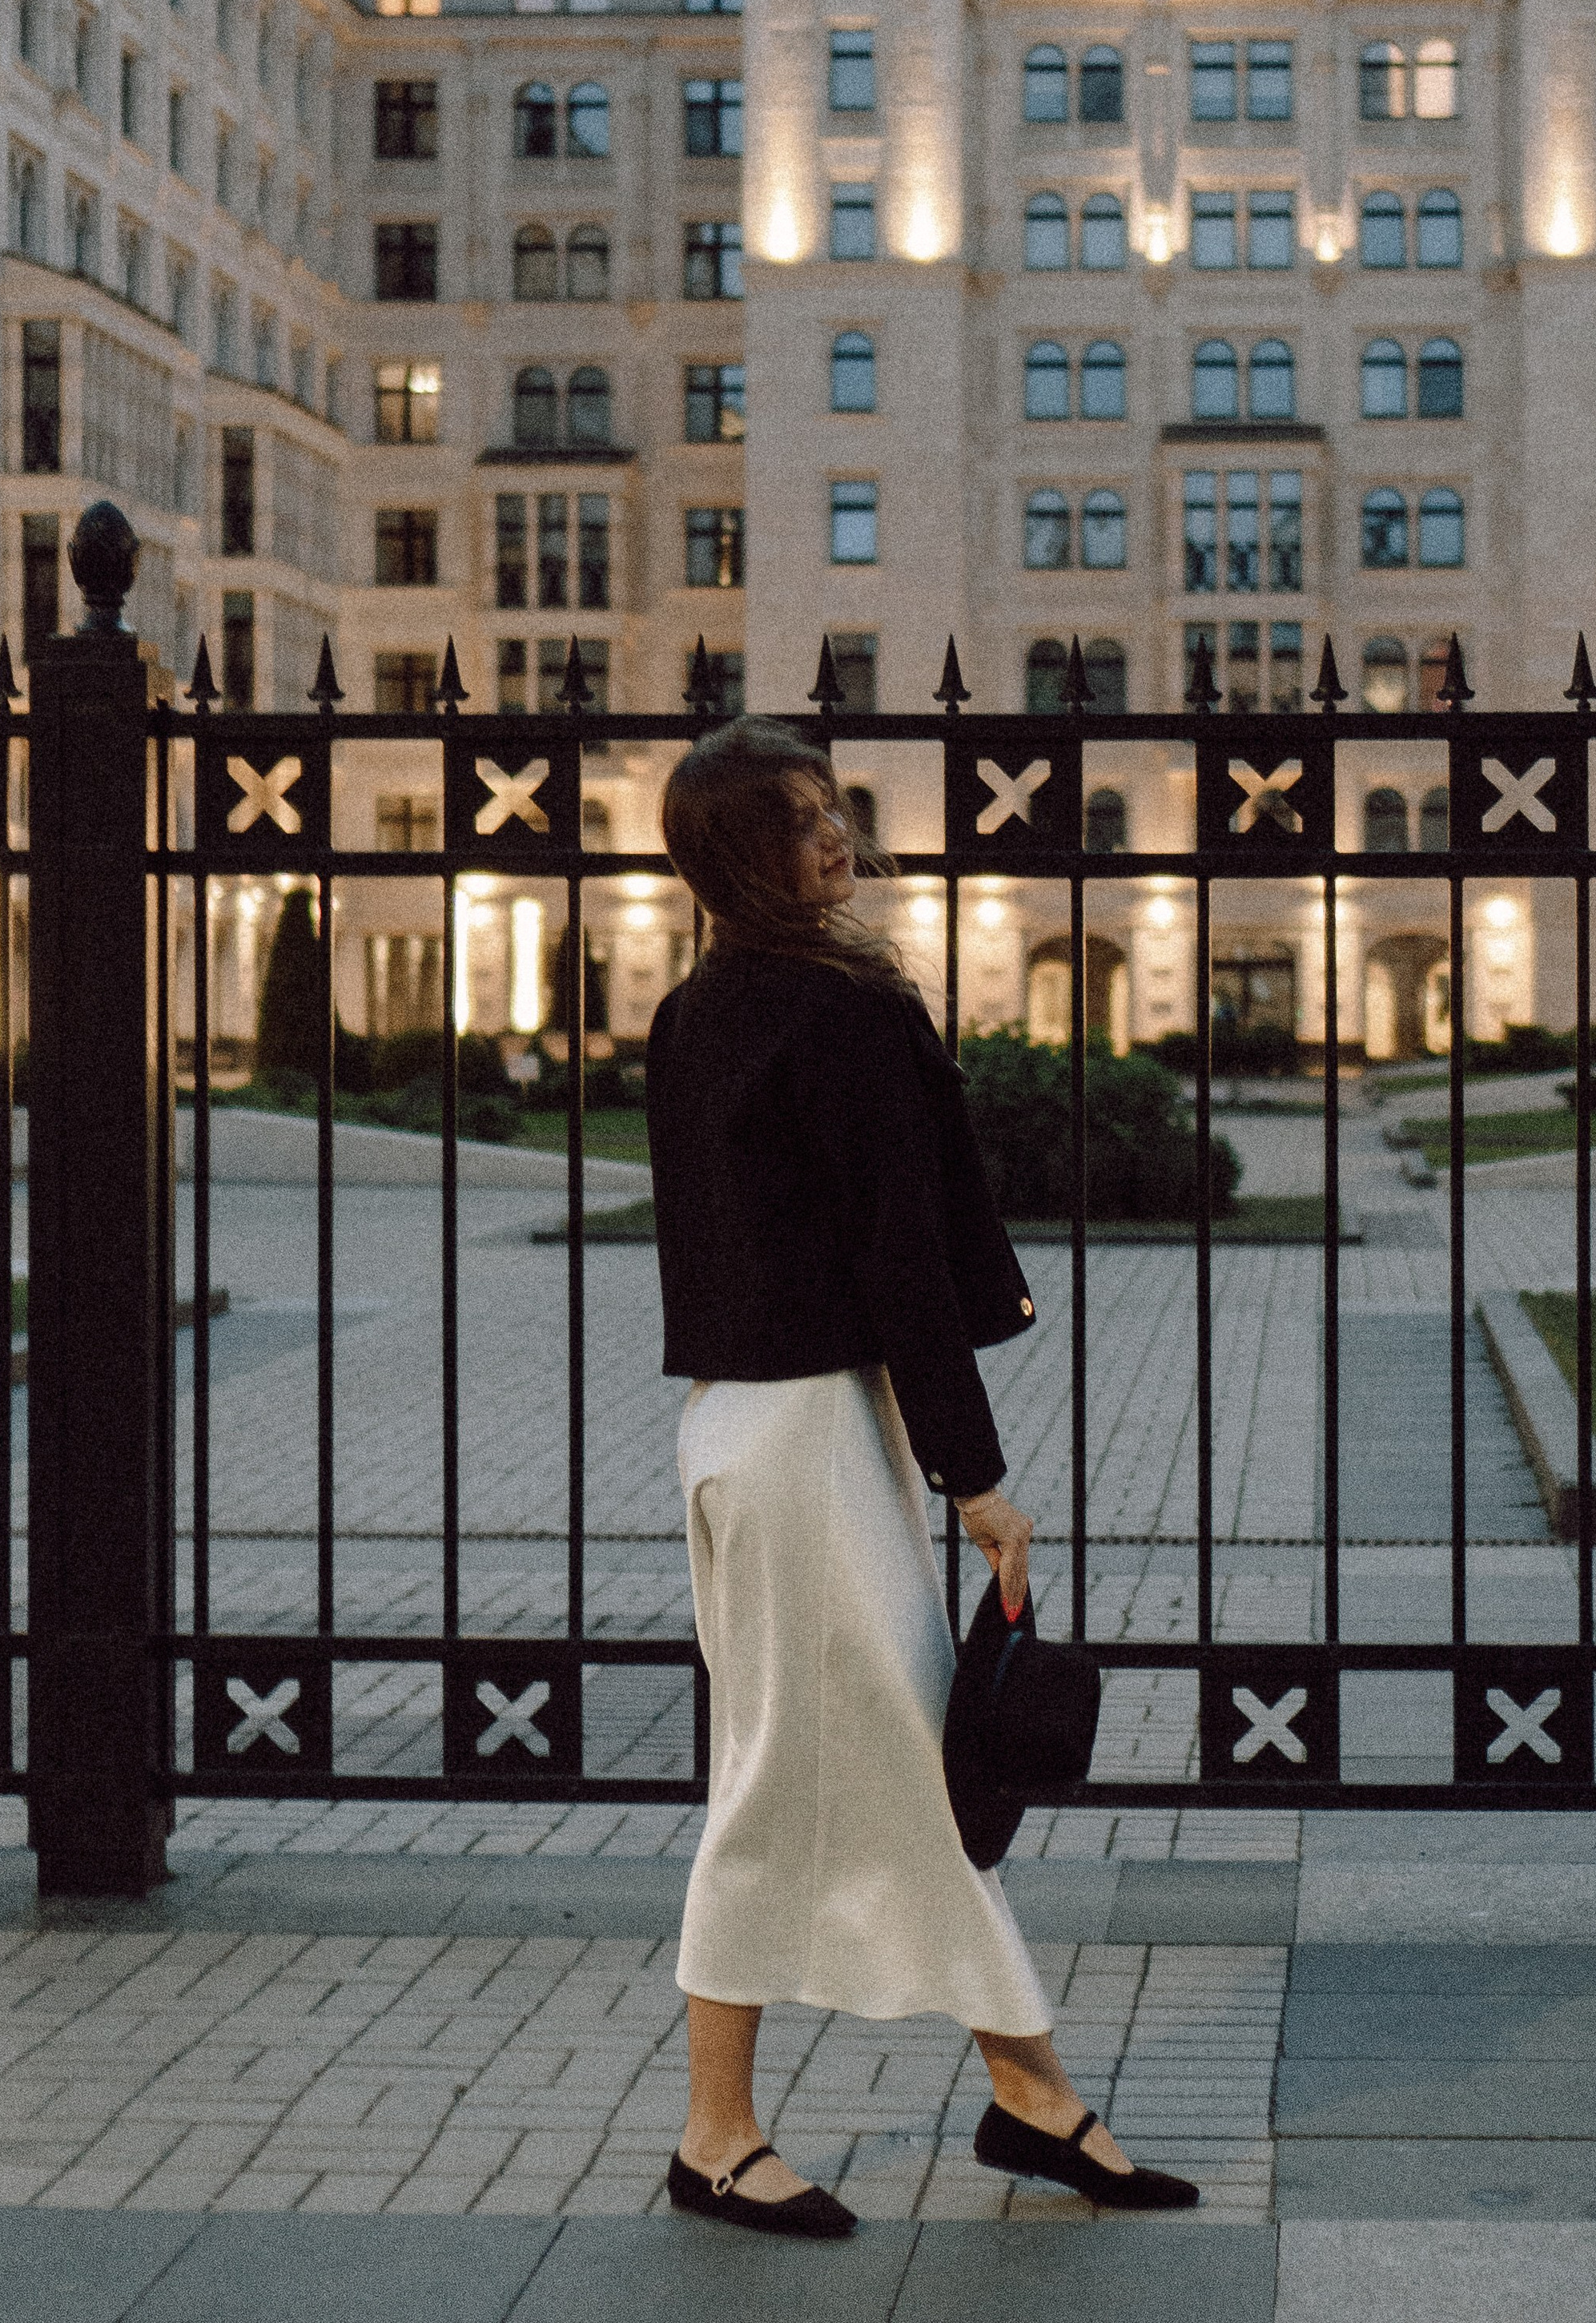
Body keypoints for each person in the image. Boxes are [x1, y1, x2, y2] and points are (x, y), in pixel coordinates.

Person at [647, 716, 1197, 2238]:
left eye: (831, 807)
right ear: (738, 858)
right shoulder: (839, 1012)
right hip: (811, 1444)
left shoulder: (694, 1014)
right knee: (800, 1782)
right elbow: (896, 1256)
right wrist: (977, 1478)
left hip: (745, 1434)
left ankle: (1029, 2098)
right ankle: (726, 2134)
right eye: (796, 821)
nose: (834, 835)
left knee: (881, 1776)